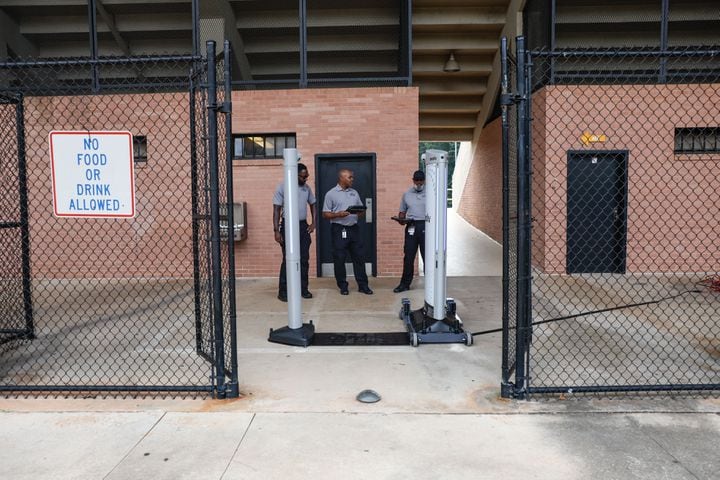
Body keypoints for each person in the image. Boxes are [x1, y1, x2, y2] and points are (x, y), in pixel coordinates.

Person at [322, 168, 373, 296]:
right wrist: (338, 214)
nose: (352, 179)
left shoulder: (354, 193)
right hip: (339, 229)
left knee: (359, 258)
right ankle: (343, 286)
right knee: (339, 259)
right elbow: (325, 214)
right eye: (350, 177)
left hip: (354, 229)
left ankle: (363, 285)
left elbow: (361, 211)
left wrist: (360, 211)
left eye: (352, 177)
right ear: (341, 178)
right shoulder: (331, 194)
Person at [272, 163, 316, 302]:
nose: (306, 179)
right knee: (288, 260)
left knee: (304, 259)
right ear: (294, 174)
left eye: (307, 176)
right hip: (287, 225)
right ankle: (283, 292)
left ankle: (303, 289)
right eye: (303, 176)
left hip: (302, 226)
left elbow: (313, 204)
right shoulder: (282, 187)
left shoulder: (306, 188)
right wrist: (276, 231)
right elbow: (276, 210)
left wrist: (314, 223)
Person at [392, 170, 426, 293]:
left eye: (420, 180)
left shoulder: (431, 193)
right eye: (416, 180)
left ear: (424, 180)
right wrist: (400, 219)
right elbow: (402, 212)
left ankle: (432, 285)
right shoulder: (407, 194)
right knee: (408, 257)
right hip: (411, 226)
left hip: (426, 226)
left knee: (427, 257)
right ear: (413, 180)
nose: (418, 183)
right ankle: (404, 284)